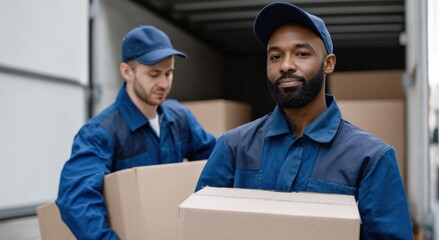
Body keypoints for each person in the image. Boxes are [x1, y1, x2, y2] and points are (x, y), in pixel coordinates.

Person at [196, 2, 413, 239]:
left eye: (302, 54)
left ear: (328, 63)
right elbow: (202, 227)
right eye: (275, 56)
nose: (286, 65)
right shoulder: (233, 147)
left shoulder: (371, 159)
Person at [57, 25, 216, 239]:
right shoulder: (99, 132)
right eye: (153, 74)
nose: (163, 83)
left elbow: (217, 160)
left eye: (169, 73)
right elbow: (77, 199)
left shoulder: (179, 117)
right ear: (126, 71)